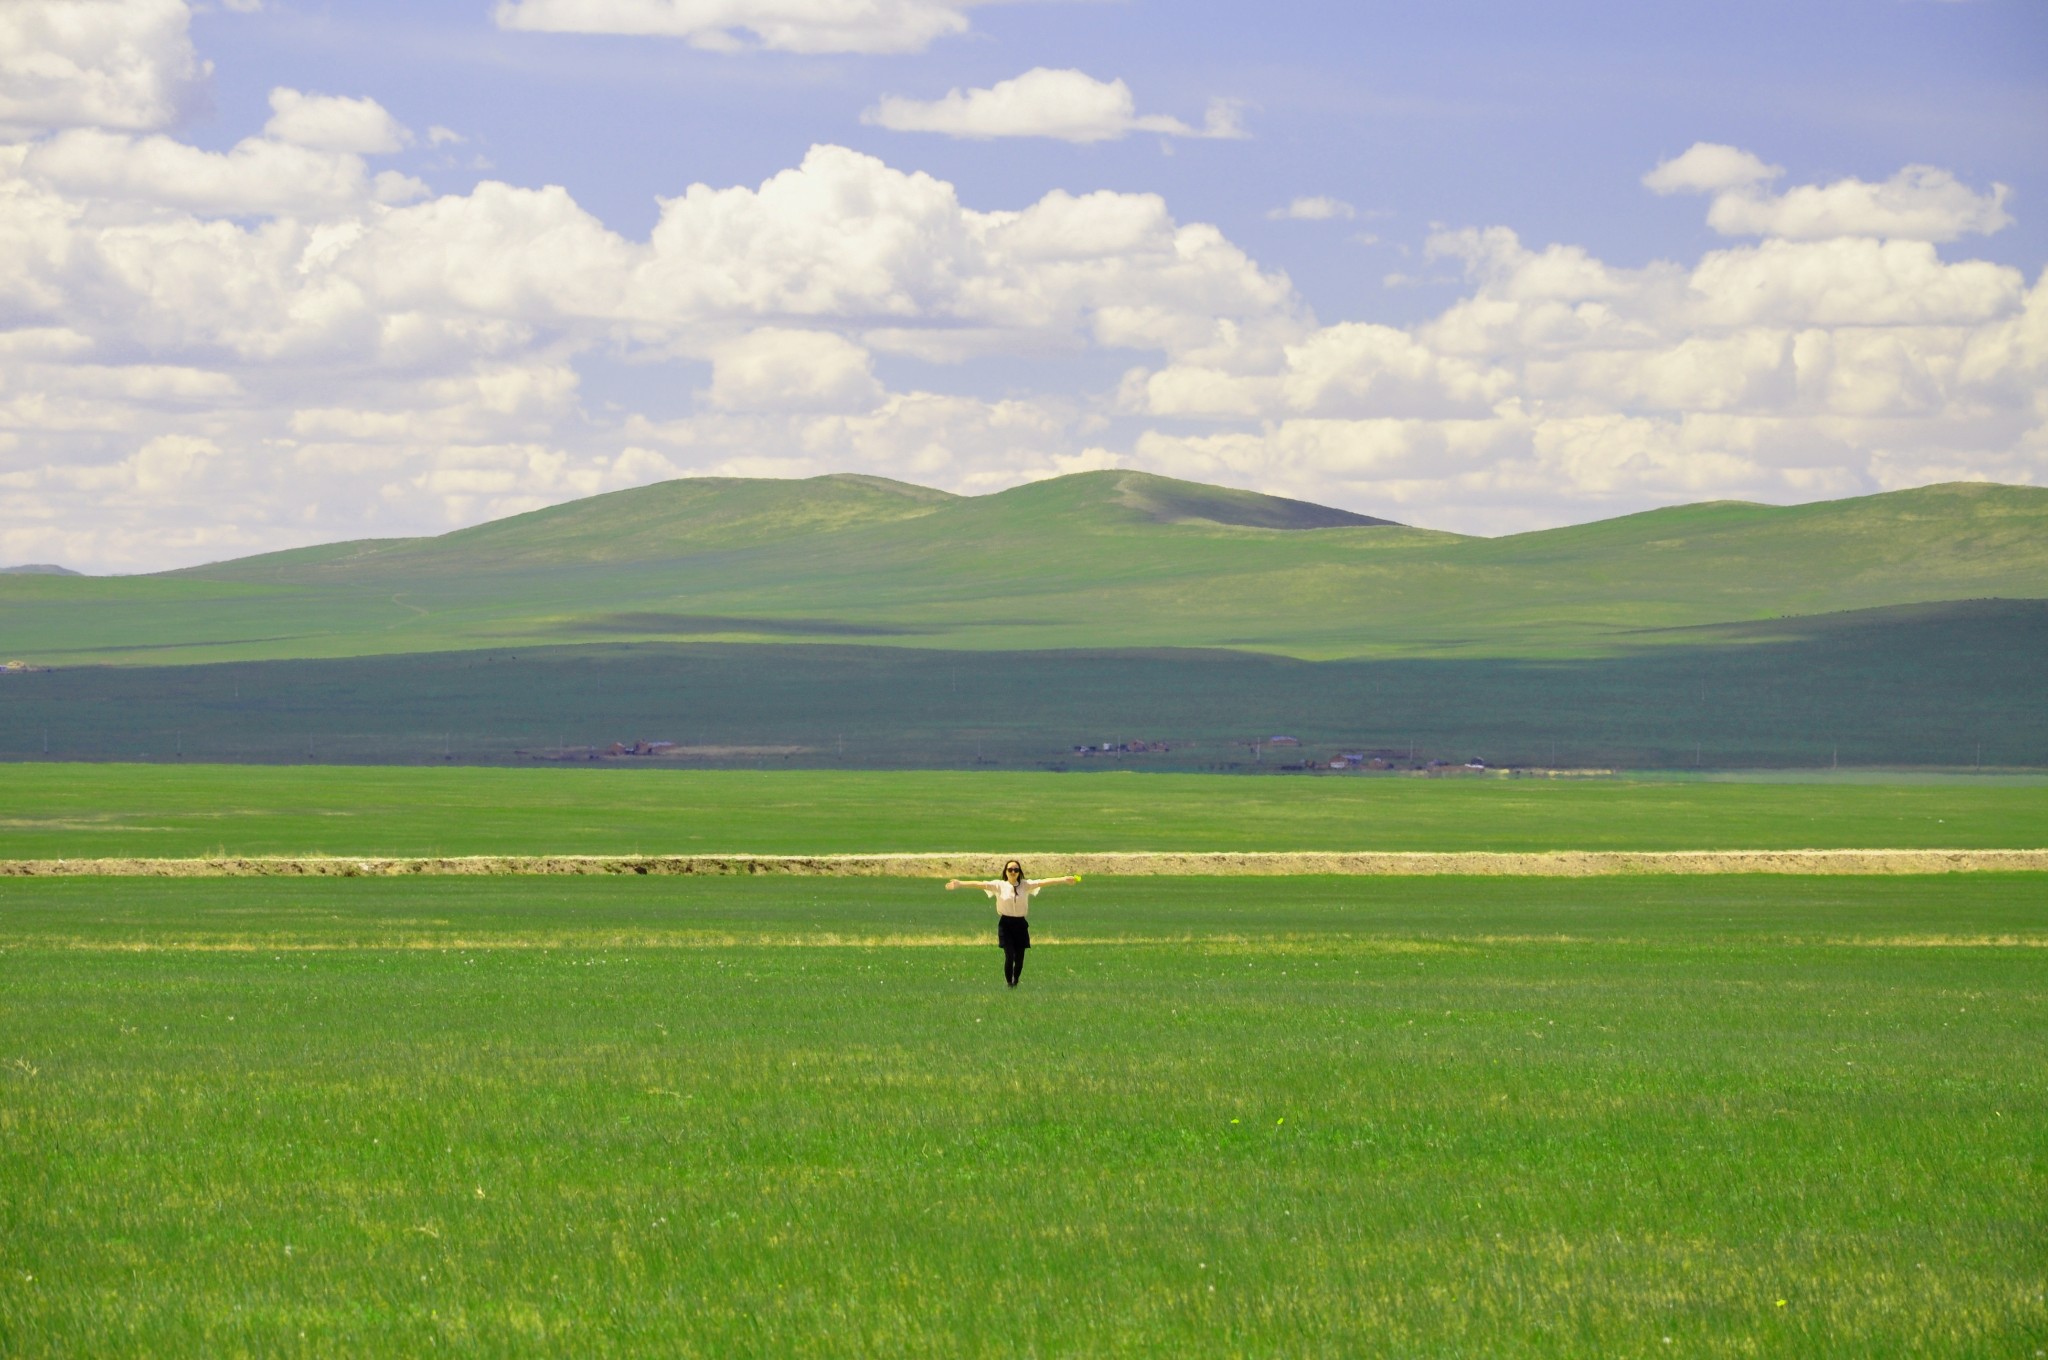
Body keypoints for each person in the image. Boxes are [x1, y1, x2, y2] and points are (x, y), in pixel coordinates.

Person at [946, 860, 1079, 987]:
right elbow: (980, 884)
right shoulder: (999, 885)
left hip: (1020, 924)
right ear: (1006, 872)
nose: (1013, 872)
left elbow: (1043, 882)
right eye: (1010, 869)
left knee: (1020, 958)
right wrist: (960, 883)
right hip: (1006, 924)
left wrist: (1063, 879)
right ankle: (1009, 983)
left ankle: (1016, 981)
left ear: (1019, 872)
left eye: (1016, 869)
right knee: (1009, 955)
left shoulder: (1025, 885)